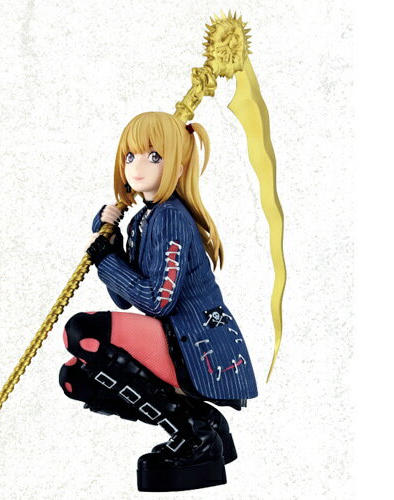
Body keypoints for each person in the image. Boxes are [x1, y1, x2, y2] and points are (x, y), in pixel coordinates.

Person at [59, 111, 260, 492]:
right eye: (130, 156)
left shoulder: (170, 218)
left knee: (83, 331)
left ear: (178, 167)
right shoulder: (145, 219)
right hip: (170, 335)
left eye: (154, 156)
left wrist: (104, 259)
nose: (137, 167)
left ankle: (194, 437)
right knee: (76, 378)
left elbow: (158, 301)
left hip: (196, 341)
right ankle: (202, 422)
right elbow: (124, 297)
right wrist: (111, 242)